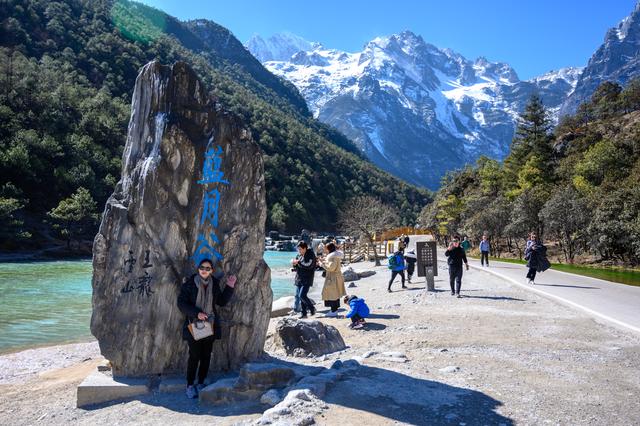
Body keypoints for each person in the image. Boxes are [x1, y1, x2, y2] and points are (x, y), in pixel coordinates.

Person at [177, 259, 236, 399]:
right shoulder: (190, 284)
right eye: (202, 267)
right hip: (194, 324)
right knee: (194, 356)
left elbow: (221, 301)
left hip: (210, 324)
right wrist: (197, 313)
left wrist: (230, 286)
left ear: (212, 271)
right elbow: (181, 303)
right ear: (198, 269)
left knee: (206, 356)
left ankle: (201, 382)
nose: (204, 270)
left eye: (208, 268)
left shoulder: (214, 284)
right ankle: (190, 385)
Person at [318, 242, 346, 317]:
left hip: (332, 277)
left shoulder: (332, 256)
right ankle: (334, 310)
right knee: (335, 294)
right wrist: (324, 260)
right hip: (336, 276)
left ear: (328, 249)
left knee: (332, 294)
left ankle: (333, 311)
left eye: (325, 249)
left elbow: (331, 268)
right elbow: (331, 264)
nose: (325, 250)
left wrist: (321, 264)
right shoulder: (335, 255)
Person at [291, 241, 316, 319]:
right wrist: (294, 265)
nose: (299, 251)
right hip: (299, 278)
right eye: (298, 249)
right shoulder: (299, 255)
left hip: (307, 278)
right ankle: (304, 314)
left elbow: (309, 265)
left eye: (300, 249)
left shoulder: (311, 254)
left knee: (302, 295)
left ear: (305, 248)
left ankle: (312, 308)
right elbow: (298, 266)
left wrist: (298, 263)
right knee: (300, 296)